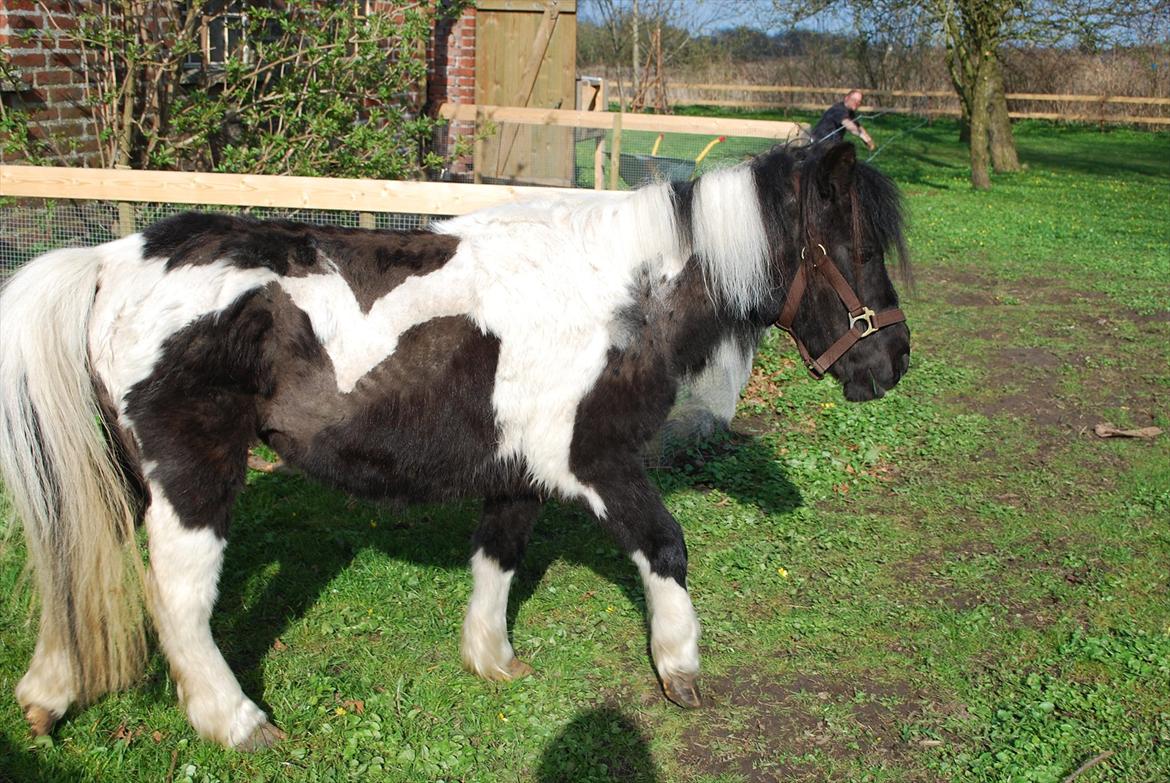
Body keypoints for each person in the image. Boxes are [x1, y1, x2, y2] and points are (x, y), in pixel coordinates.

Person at [809, 89, 875, 150]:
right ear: (846, 98)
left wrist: (868, 139)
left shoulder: (850, 112)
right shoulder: (838, 109)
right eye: (854, 100)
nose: (856, 103)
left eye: (859, 101)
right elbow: (848, 124)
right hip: (821, 142)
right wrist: (861, 135)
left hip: (833, 144)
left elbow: (857, 126)